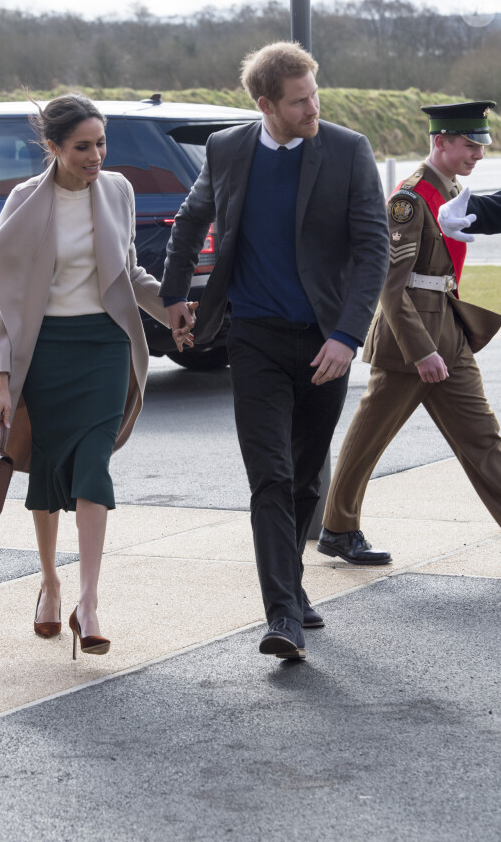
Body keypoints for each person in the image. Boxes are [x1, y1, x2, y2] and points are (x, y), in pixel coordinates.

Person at [160, 42, 389, 660]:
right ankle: (282, 613)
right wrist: (174, 293)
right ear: (266, 105)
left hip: (324, 341)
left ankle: (293, 588)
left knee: (307, 476)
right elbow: (190, 219)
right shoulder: (228, 148)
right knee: (271, 475)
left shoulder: (346, 150)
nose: (313, 106)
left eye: (315, 94)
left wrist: (347, 336)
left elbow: (374, 249)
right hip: (254, 336)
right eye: (300, 100)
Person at [0, 93, 194, 659]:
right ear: (53, 148)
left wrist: (172, 308)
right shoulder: (25, 201)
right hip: (45, 351)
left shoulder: (118, 191)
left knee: (93, 464)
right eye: (82, 147)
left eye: (101, 144)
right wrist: (4, 380)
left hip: (106, 347)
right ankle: (50, 584)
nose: (96, 156)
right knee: (48, 471)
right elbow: (10, 301)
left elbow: (128, 271)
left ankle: (88, 600)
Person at [318, 100, 501, 564]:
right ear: (440, 142)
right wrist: (421, 352)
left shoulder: (454, 191)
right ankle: (338, 528)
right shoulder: (410, 198)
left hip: (449, 335)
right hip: (408, 345)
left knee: (484, 439)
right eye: (468, 144)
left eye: (482, 145)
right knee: (367, 440)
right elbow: (390, 286)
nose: (478, 154)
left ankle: (337, 528)